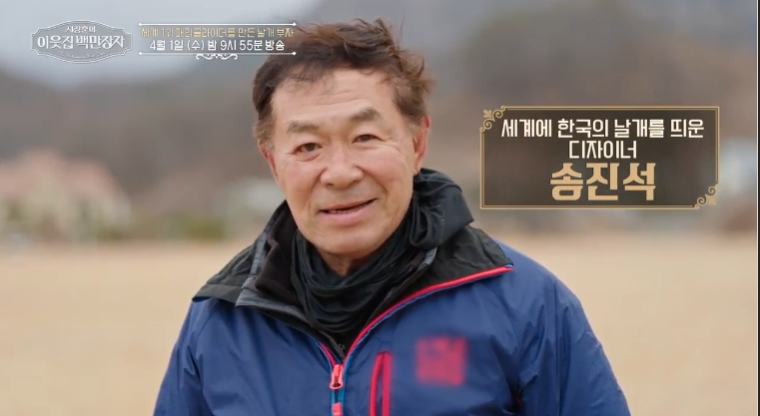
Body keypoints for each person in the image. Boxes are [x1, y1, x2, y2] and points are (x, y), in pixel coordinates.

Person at [153, 19, 631, 416]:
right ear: (273, 164)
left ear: (417, 143)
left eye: (365, 137)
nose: (340, 173)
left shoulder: (527, 305)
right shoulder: (221, 322)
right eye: (307, 146)